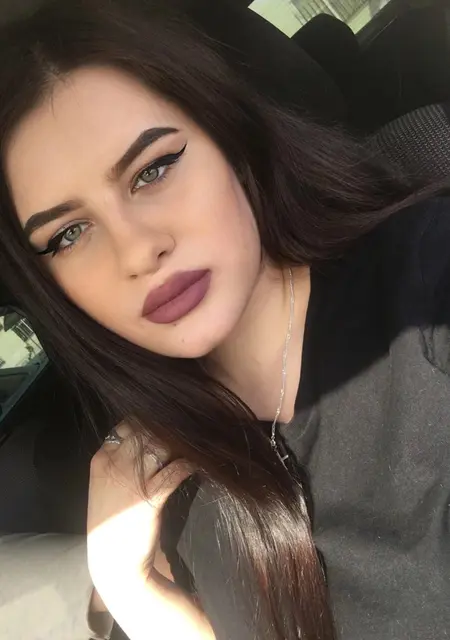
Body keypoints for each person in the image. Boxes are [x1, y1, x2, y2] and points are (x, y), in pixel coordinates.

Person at [0, 0, 448, 639]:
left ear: (231, 139)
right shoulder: (160, 486)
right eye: (69, 233)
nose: (136, 251)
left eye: (153, 169)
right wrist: (131, 589)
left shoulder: (427, 287)